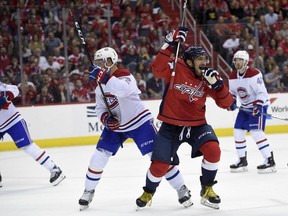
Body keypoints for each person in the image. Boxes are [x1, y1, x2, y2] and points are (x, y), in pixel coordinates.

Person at [78, 47, 192, 211]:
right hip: (117, 127)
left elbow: (121, 90)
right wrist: (106, 119)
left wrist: (104, 78)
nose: (99, 66)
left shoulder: (124, 75)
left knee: (159, 158)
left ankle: (182, 188)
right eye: (97, 63)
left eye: (102, 62)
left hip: (140, 122)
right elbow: (99, 108)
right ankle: (88, 191)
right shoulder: (99, 85)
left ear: (111, 61)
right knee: (98, 157)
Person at [135, 27, 233, 210]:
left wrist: (219, 87)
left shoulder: (208, 76)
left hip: (197, 125)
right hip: (170, 126)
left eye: (205, 59)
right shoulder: (176, 66)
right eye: (200, 59)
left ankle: (207, 189)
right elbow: (157, 69)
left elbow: (227, 104)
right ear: (188, 61)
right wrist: (170, 43)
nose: (204, 62)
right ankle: (148, 191)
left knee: (213, 150)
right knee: (159, 166)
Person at [0, 82, 65, 187]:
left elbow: (15, 89)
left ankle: (55, 169)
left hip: (13, 120)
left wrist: (7, 96)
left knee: (27, 147)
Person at [228, 50, 277, 174]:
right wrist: (232, 102)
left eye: (240, 60)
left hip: (258, 106)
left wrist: (258, 106)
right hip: (244, 108)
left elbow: (262, 92)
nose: (238, 62)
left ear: (245, 61)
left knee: (256, 132)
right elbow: (233, 93)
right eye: (236, 60)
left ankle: (270, 161)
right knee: (237, 132)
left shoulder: (254, 73)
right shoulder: (232, 75)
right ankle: (242, 160)